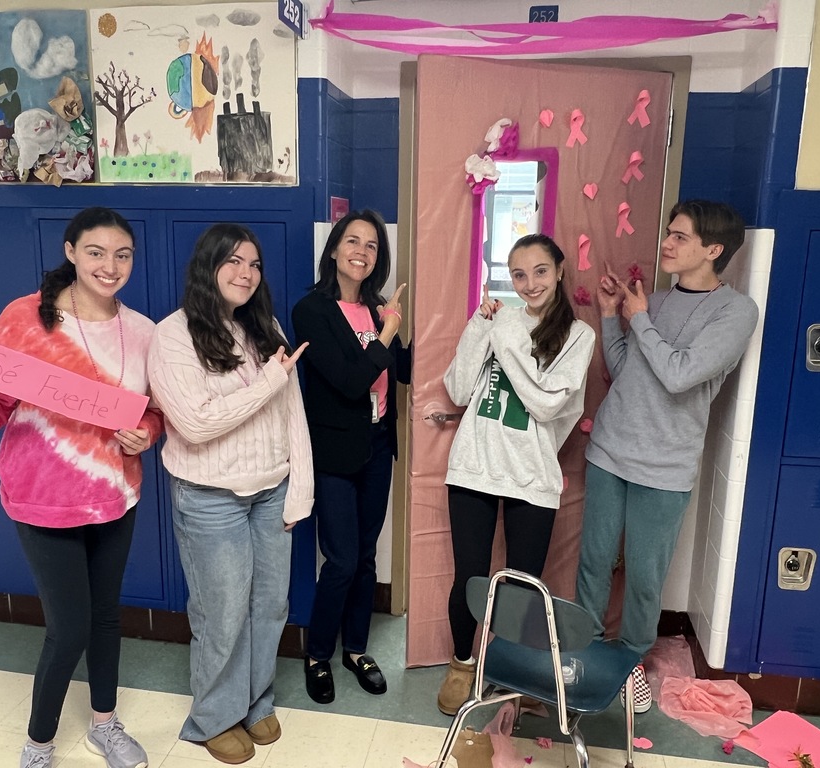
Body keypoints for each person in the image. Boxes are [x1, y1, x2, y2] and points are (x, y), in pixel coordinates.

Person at [0, 207, 161, 768]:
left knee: (104, 617)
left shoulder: (144, 331)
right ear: (71, 252)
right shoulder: (26, 317)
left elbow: (154, 414)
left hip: (115, 497)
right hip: (42, 499)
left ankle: (105, 724)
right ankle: (39, 742)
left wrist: (144, 433)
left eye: (123, 255)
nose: (111, 265)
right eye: (96, 252)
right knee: (68, 627)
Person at [575, 200, 758, 714]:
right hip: (610, 450)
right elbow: (625, 368)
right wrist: (616, 318)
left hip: (665, 465)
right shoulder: (651, 302)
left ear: (713, 250)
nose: (667, 244)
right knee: (594, 562)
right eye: (669, 234)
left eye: (680, 237)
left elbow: (680, 375)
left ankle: (631, 660)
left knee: (644, 575)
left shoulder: (735, 311)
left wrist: (640, 321)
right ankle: (587, 656)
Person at [147, 223, 313, 765]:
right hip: (210, 497)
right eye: (234, 262)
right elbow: (195, 424)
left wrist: (299, 492)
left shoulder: (262, 326)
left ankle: (256, 700)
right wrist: (270, 380)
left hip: (272, 490)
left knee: (269, 606)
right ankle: (213, 717)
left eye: (255, 264)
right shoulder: (173, 335)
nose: (246, 273)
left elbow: (293, 416)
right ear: (209, 266)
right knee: (221, 612)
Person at [436, 233, 595, 716]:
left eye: (540, 271)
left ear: (560, 270)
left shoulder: (578, 336)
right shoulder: (496, 321)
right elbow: (460, 390)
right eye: (519, 274)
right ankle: (463, 665)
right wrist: (475, 332)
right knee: (470, 575)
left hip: (532, 473)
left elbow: (548, 405)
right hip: (473, 467)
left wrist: (504, 341)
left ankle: (519, 672)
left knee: (525, 584)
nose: (529, 284)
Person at [292, 209, 411, 704]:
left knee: (364, 556)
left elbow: (401, 370)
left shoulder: (380, 307)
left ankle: (356, 649)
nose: (362, 252)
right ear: (335, 249)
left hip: (378, 445)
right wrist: (385, 334)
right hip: (336, 454)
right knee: (340, 559)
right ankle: (319, 653)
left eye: (373, 246)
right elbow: (347, 381)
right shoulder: (312, 311)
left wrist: (397, 329)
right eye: (353, 242)